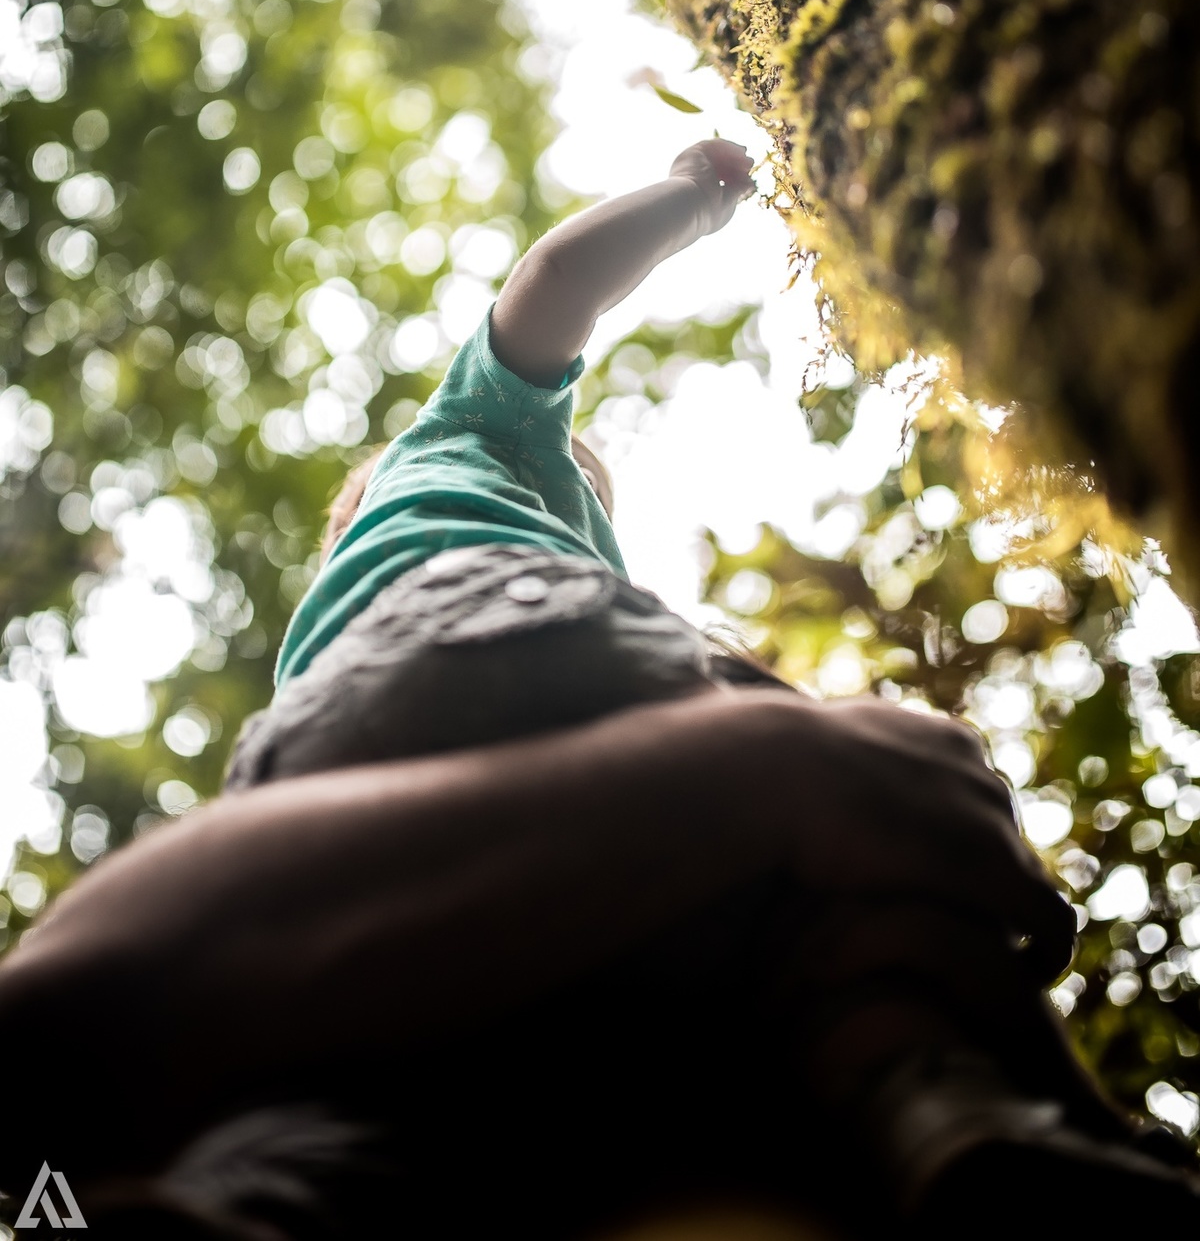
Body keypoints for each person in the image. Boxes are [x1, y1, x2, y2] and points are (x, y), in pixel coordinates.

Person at [0, 143, 1194, 1236]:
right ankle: (954, 1109)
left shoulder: (330, 638)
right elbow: (558, 279)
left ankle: (262, 1200)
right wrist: (700, 193)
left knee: (369, 1104)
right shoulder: (474, 444)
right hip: (504, 630)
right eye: (584, 488)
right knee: (833, 888)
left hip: (338, 760)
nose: (584, 500)